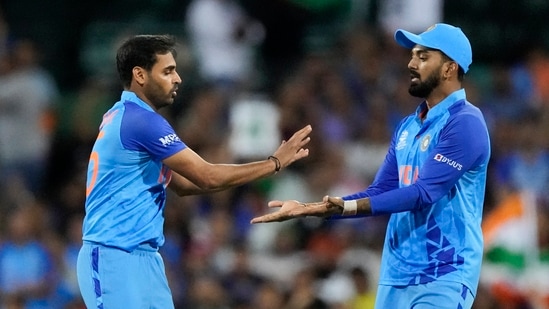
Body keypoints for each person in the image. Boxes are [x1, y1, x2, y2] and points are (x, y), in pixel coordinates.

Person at [251, 23, 491, 309]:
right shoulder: (407, 126)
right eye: (413, 55)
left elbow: (423, 193)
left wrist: (343, 207)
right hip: (395, 274)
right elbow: (380, 190)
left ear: (450, 68)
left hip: (443, 274)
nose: (411, 63)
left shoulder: (465, 123)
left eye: (423, 57)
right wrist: (312, 208)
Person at [76, 34, 312, 309]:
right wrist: (274, 163)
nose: (177, 79)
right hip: (112, 256)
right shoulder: (140, 121)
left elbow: (185, 185)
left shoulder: (130, 117)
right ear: (140, 75)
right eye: (168, 71)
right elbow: (207, 175)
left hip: (146, 259)